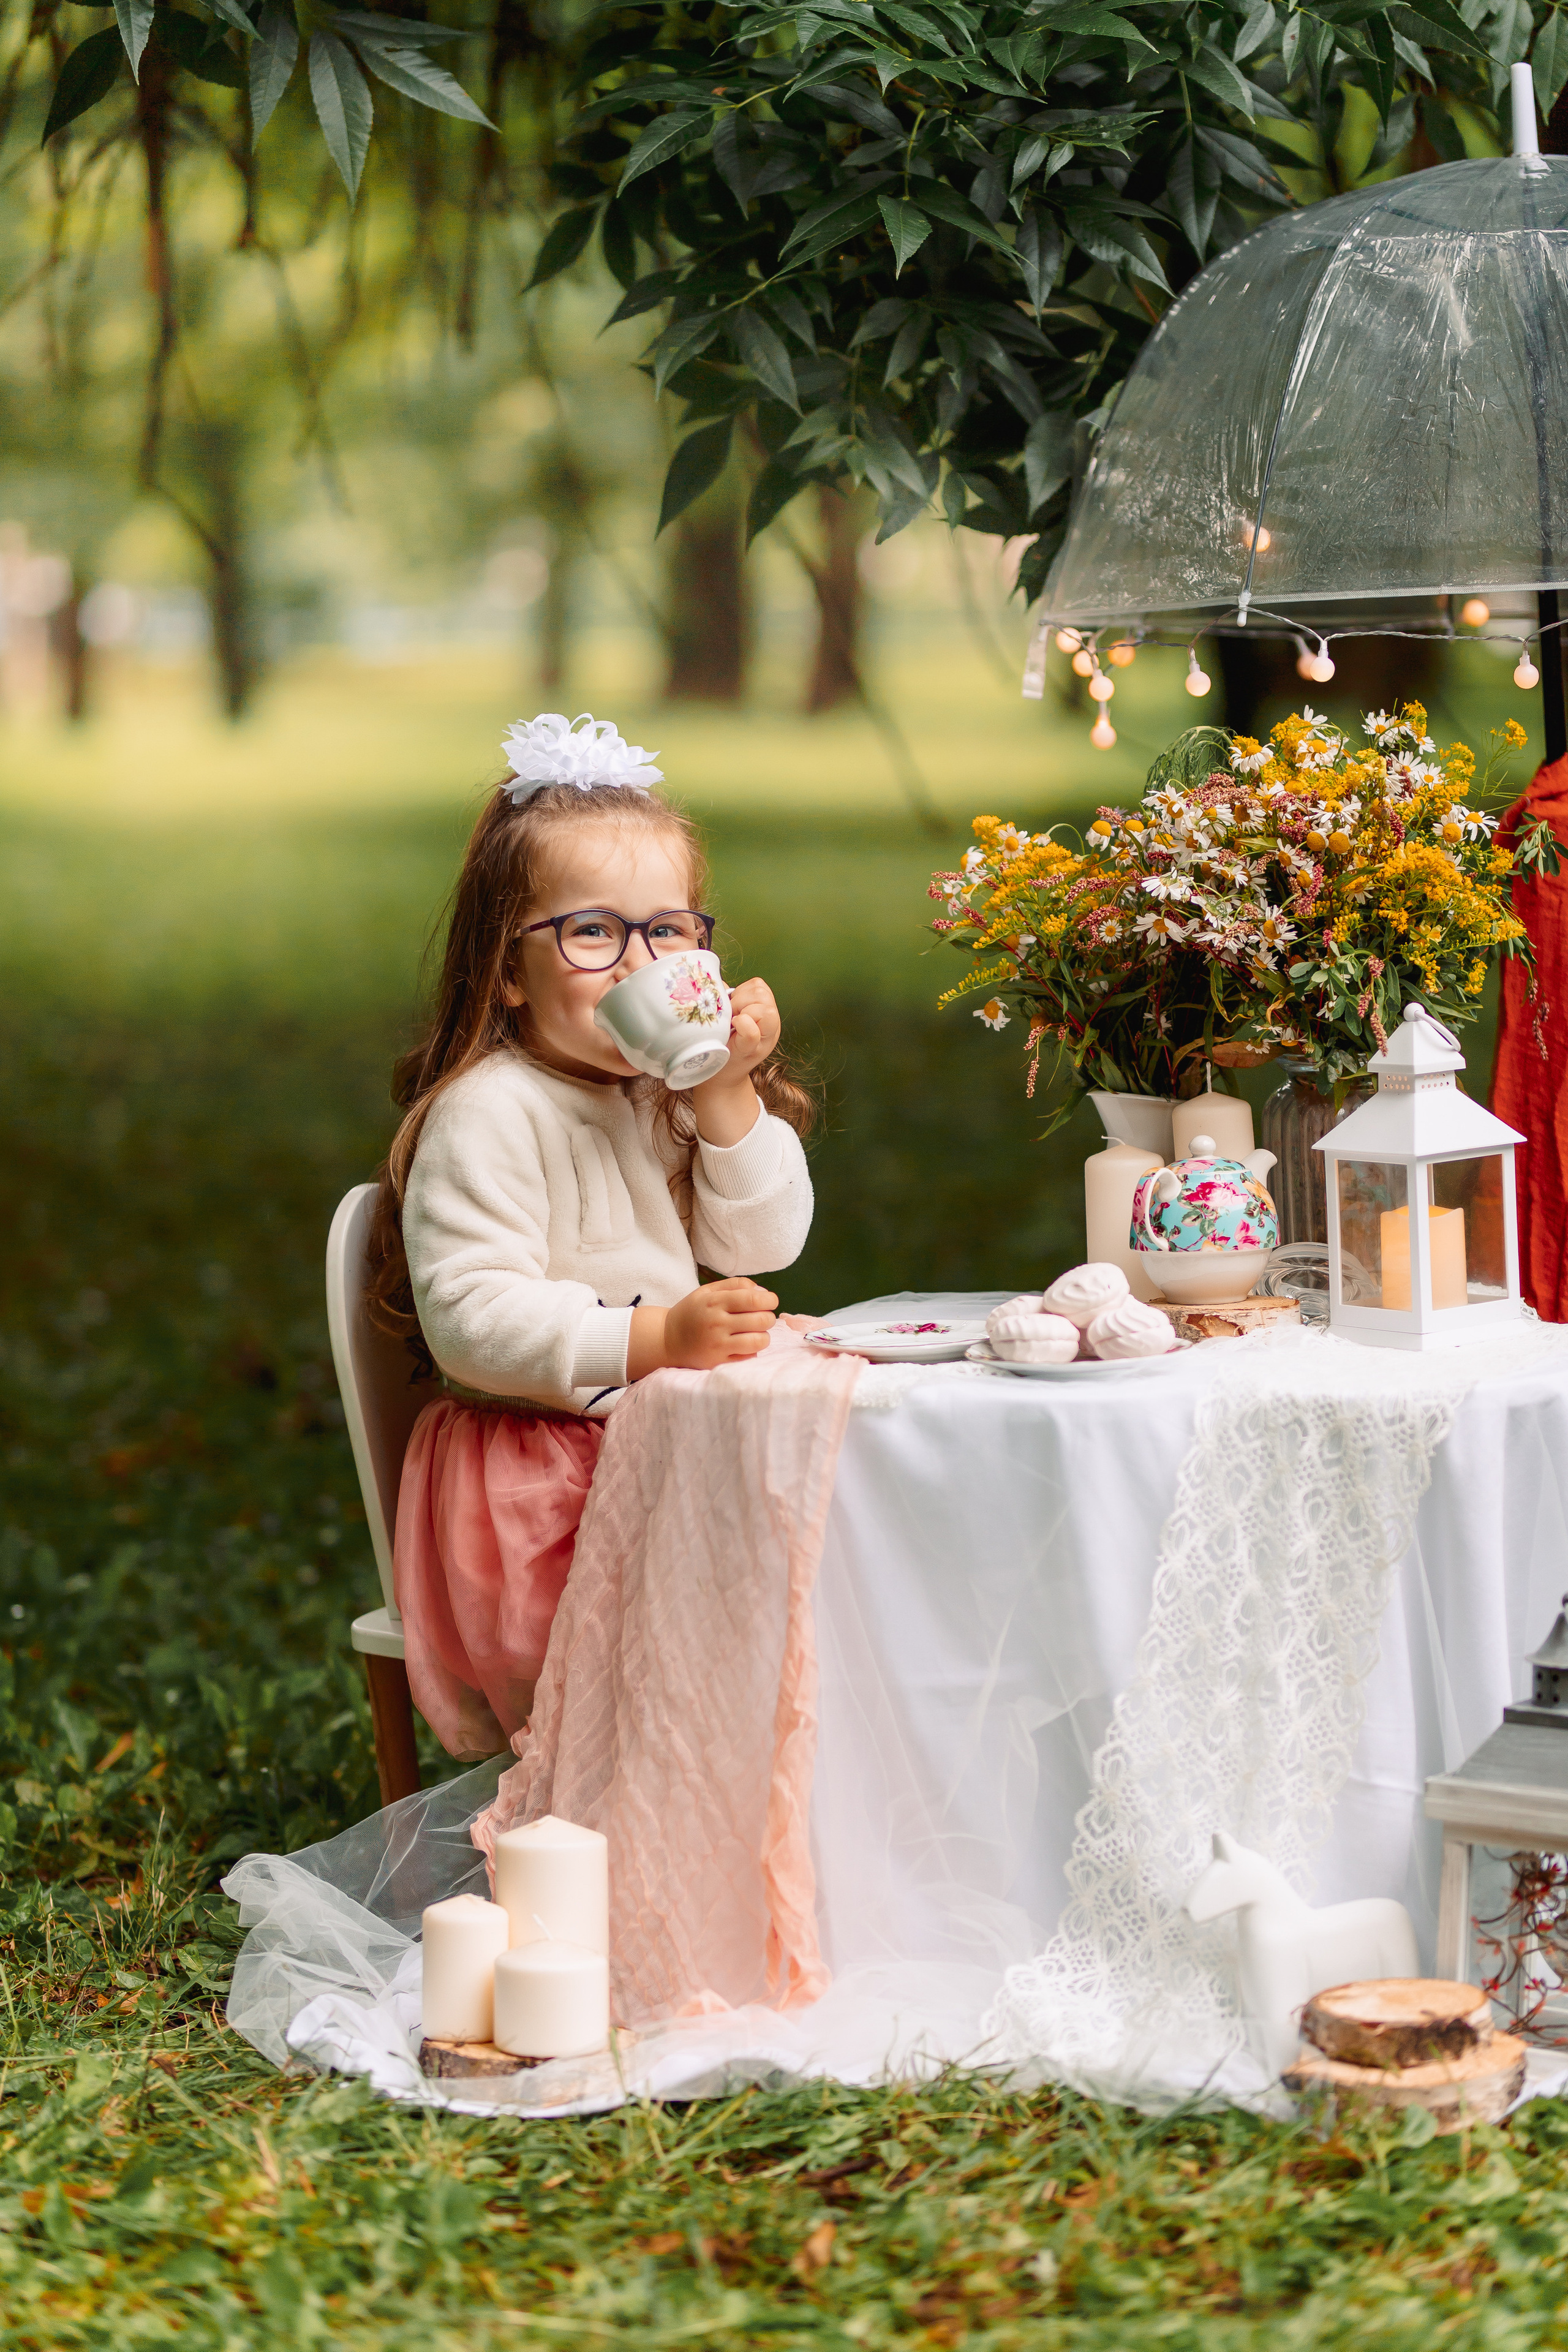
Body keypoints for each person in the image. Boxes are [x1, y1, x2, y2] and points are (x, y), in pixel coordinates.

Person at [365, 713, 816, 1758]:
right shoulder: (491, 1112)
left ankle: (743, 1788)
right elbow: (472, 1319)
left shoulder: (656, 1092)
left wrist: (728, 1089)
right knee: (725, 1635)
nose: (637, 965)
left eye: (668, 933)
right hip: (528, 1482)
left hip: (642, 1447)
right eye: (593, 933)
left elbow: (771, 1238)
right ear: (510, 971)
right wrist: (656, 1341)